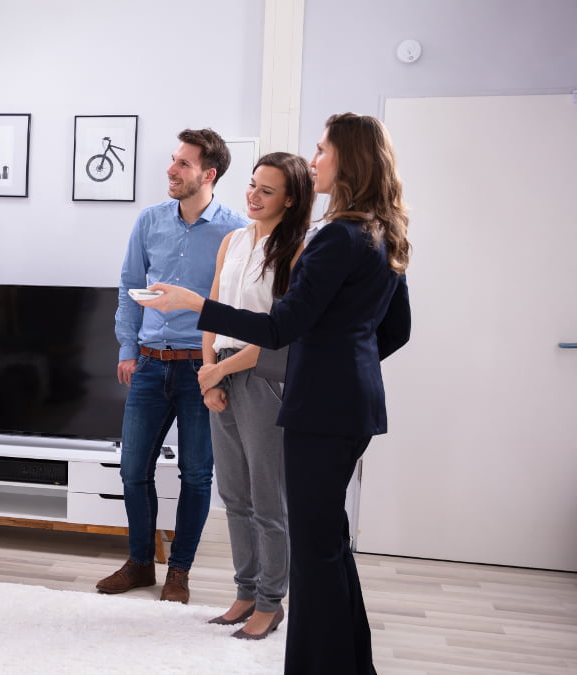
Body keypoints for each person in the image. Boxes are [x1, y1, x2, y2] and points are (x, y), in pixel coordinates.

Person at [136, 113, 411, 673]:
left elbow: (281, 327)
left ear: (349, 160)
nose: (315, 160)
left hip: (321, 410)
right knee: (329, 547)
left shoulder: (335, 235)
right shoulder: (382, 230)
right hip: (351, 406)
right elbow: (395, 331)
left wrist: (193, 305)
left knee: (314, 552)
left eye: (322, 150)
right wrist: (343, 363)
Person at [98, 129, 249, 602]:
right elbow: (128, 286)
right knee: (132, 470)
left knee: (198, 474)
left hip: (201, 368)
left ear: (209, 174)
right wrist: (127, 348)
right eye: (173, 160)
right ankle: (141, 562)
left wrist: (218, 369)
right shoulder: (149, 221)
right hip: (148, 364)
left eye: (183, 163)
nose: (171, 169)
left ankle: (178, 572)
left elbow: (237, 305)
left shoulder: (237, 231)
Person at [197, 152, 313, 640]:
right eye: (252, 185)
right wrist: (208, 373)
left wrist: (220, 369)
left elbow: (277, 333)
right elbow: (214, 309)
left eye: (267, 190)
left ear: (290, 199)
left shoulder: (298, 250)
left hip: (263, 377)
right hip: (219, 373)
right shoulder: (233, 240)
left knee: (269, 500)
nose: (253, 196)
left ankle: (271, 602)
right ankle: (244, 593)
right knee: (234, 497)